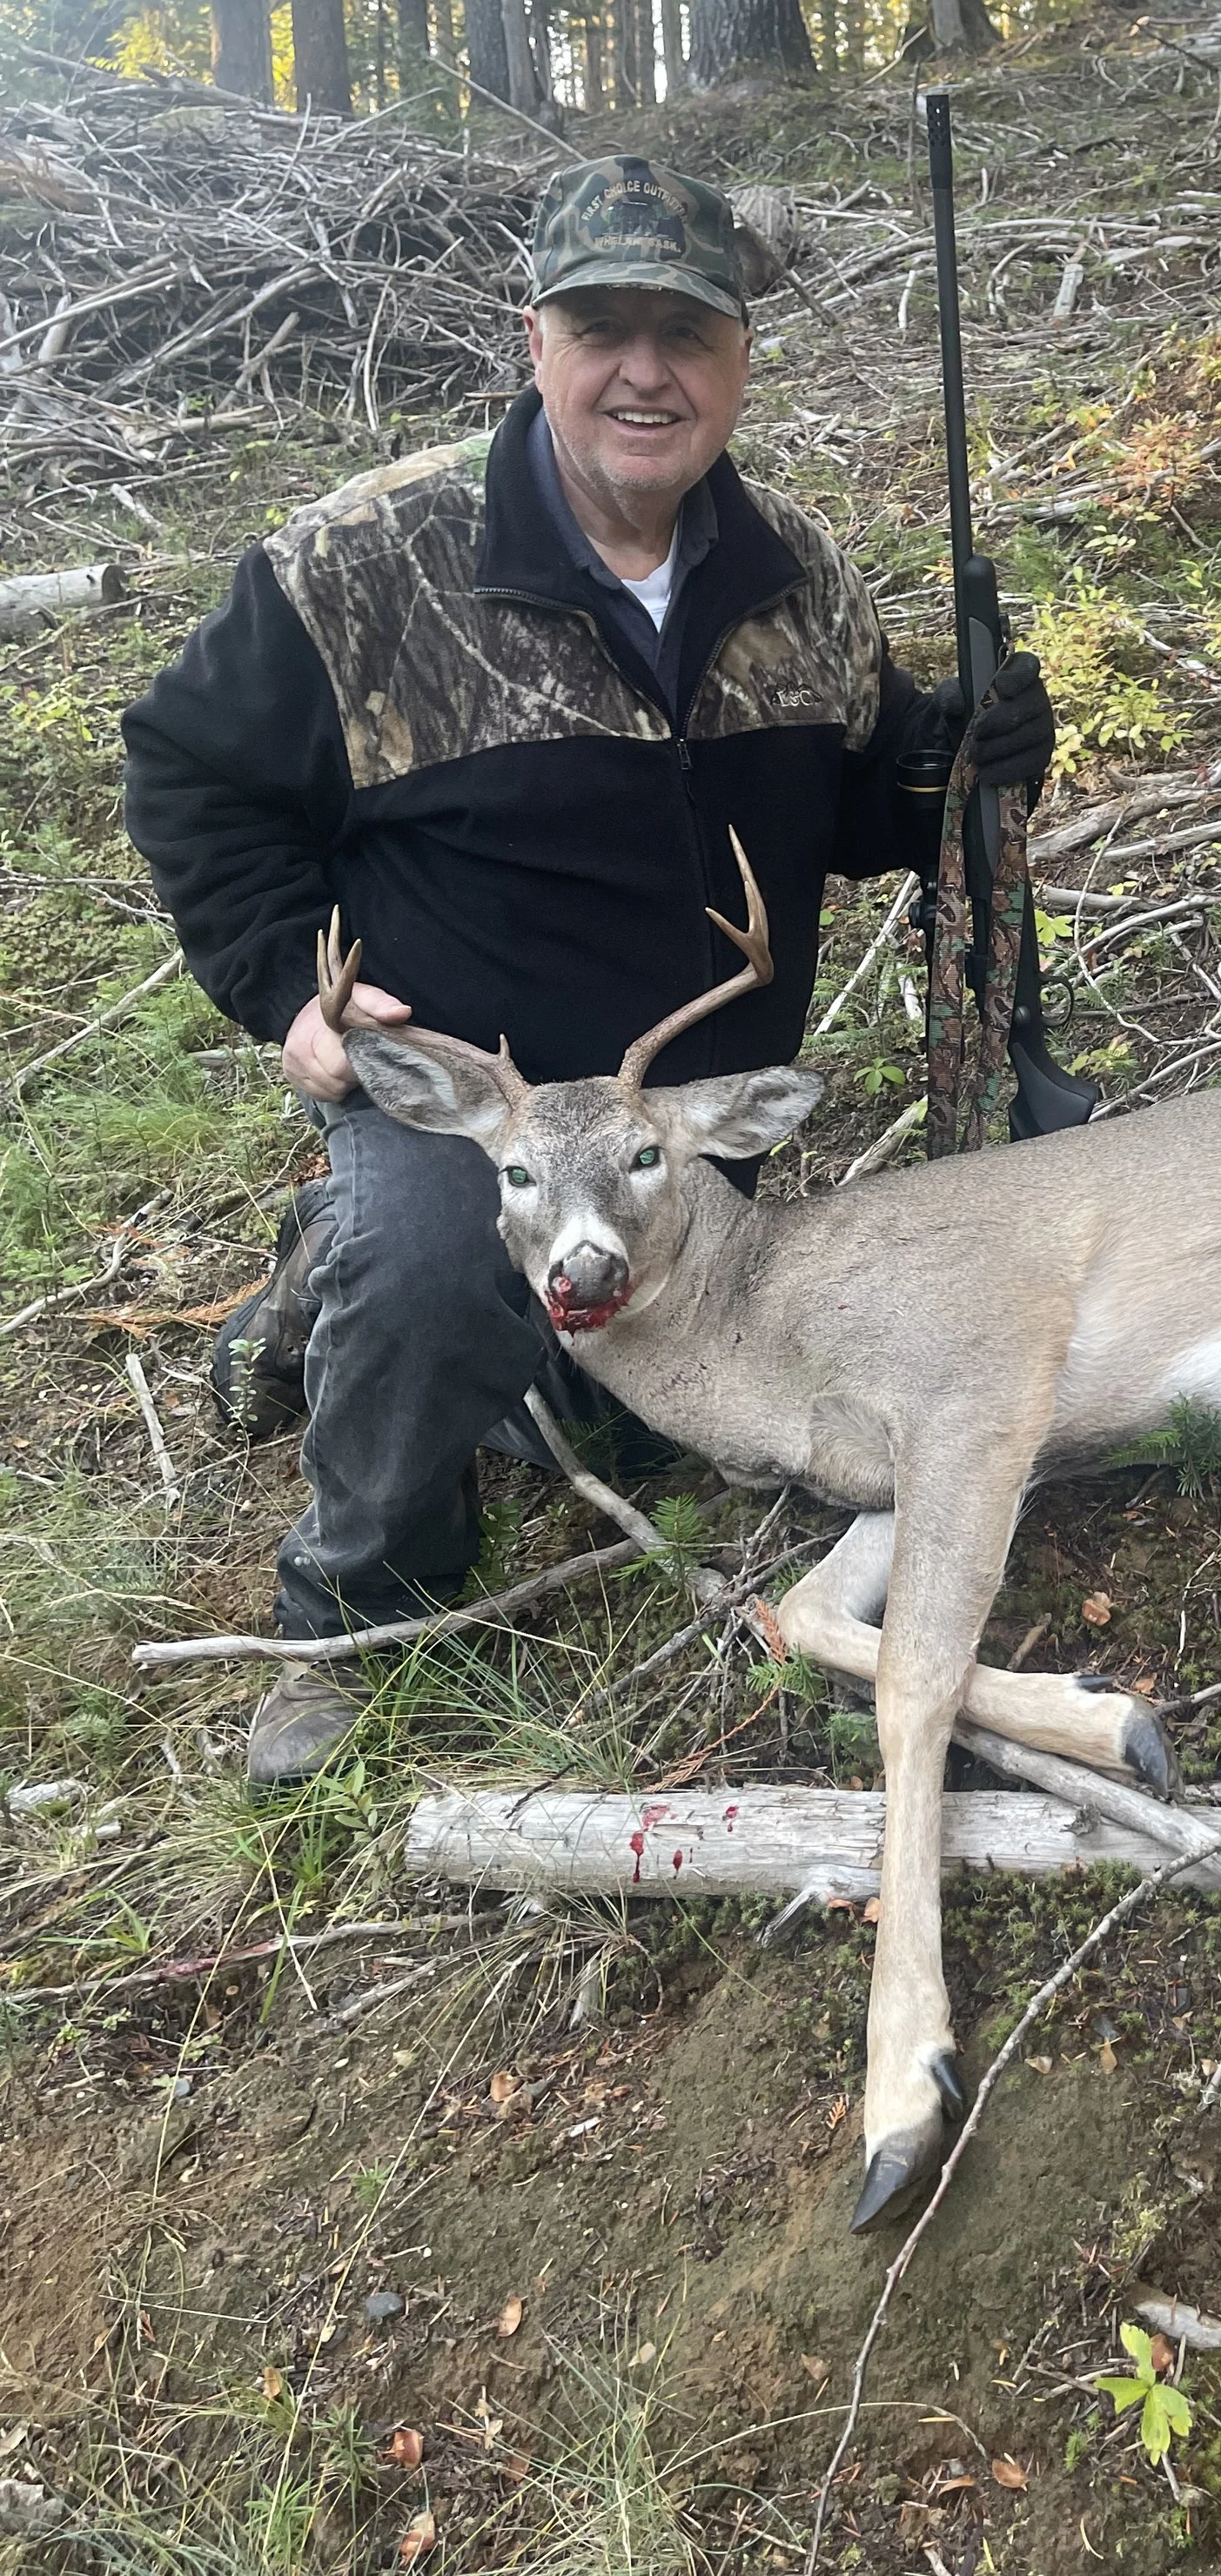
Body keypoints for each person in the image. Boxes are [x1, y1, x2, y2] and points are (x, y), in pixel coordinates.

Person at [122, 155, 1054, 1786]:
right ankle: (358, 1609)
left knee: (635, 1418)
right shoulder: (364, 567)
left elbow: (841, 807)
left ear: (738, 358)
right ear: (534, 338)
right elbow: (190, 776)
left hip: (676, 1129)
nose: (648, 371)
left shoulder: (796, 576)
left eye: (686, 333)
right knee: (425, 1277)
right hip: (465, 1098)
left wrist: (945, 769)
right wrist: (284, 986)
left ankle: (333, 1302)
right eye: (603, 327)